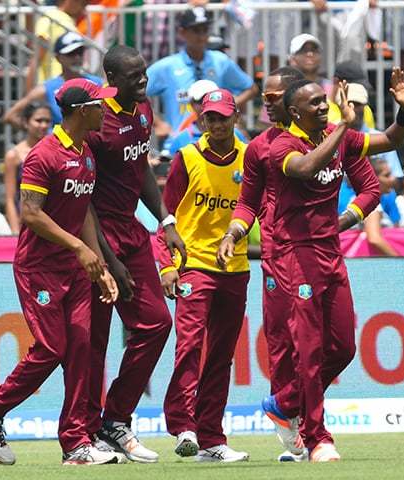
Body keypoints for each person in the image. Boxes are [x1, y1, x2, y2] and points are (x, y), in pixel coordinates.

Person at [218, 67, 404, 462]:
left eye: (325, 102)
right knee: (304, 351)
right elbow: (303, 169)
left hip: (328, 251)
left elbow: (390, 140)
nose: (325, 107)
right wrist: (234, 233)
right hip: (292, 255)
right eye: (317, 104)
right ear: (295, 112)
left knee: (341, 347)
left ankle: (284, 403)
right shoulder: (277, 147)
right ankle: (316, 436)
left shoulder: (337, 137)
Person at [0, 78, 119, 465]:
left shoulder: (86, 152)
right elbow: (31, 214)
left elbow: (83, 209)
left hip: (75, 266)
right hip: (39, 269)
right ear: (82, 111)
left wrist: (98, 263)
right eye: (100, 105)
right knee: (52, 348)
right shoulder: (43, 155)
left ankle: (76, 443)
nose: (106, 110)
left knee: (82, 348)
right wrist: (80, 248)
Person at [84, 46, 186, 464]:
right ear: (110, 76)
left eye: (143, 74)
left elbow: (140, 166)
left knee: (157, 324)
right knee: (95, 339)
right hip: (98, 236)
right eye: (132, 76)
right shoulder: (96, 120)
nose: (142, 82)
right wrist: (107, 257)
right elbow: (83, 199)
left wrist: (165, 218)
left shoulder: (142, 108)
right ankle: (85, 433)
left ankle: (115, 419)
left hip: (132, 229)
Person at [217, 66, 308, 462]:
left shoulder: (324, 136)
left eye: (272, 98)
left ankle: (286, 404)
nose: (264, 104)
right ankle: (299, 432)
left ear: (293, 99)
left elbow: (364, 178)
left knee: (333, 345)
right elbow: (248, 202)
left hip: (317, 253)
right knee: (283, 343)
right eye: (265, 97)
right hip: (276, 255)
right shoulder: (258, 147)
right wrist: (234, 233)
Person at [154, 88, 250, 463]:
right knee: (190, 344)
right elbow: (166, 216)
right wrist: (166, 264)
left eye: (224, 117)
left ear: (235, 118)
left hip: (235, 267)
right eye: (211, 117)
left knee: (222, 355)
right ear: (202, 120)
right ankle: (183, 426)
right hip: (194, 264)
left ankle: (211, 437)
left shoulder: (249, 157)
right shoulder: (187, 157)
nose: (218, 124)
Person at [146, 7, 257, 137]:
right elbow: (134, 94)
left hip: (216, 139)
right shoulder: (167, 67)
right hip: (181, 142)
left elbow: (251, 88)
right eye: (196, 30)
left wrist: (225, 106)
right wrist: (158, 123)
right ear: (182, 32)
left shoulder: (220, 61)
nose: (201, 36)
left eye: (205, 30)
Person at [5, 32, 102, 130]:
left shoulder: (98, 84)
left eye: (80, 52)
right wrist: (40, 134)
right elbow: (10, 116)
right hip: (60, 144)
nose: (77, 57)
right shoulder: (47, 89)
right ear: (58, 57)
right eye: (71, 53)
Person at [4, 103, 53, 234]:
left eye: (47, 121)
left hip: (51, 221)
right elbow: (10, 197)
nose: (43, 125)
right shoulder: (13, 156)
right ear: (26, 123)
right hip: (26, 223)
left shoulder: (54, 152)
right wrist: (15, 231)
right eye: (38, 120)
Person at [165, 78, 247, 155]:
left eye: (213, 100)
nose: (207, 105)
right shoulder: (180, 139)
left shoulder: (236, 134)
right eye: (201, 101)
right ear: (191, 104)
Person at [28, 0, 87, 88]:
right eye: (82, 3)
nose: (83, 9)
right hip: (52, 85)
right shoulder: (49, 19)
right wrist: (29, 92)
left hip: (67, 82)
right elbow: (37, 58)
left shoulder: (66, 20)